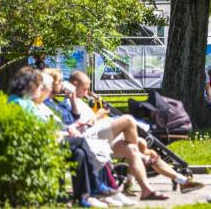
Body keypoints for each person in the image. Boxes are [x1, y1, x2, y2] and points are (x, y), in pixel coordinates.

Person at [7, 67, 123, 208]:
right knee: (81, 141)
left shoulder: (26, 102)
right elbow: (39, 129)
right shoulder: (21, 103)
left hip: (51, 138)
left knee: (79, 153)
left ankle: (83, 198)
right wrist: (64, 133)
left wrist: (65, 131)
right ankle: (96, 185)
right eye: (39, 86)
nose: (41, 89)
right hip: (44, 142)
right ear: (29, 85)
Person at [66, 71, 170, 201]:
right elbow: (81, 124)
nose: (87, 93)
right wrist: (97, 115)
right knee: (128, 120)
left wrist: (100, 114)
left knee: (133, 149)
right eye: (85, 89)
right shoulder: (70, 102)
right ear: (74, 84)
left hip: (99, 134)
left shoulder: (80, 101)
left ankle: (146, 190)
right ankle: (143, 158)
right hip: (90, 137)